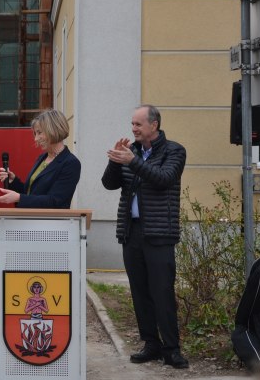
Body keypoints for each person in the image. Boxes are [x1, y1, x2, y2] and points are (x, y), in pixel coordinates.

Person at [101, 104, 189, 369]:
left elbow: (164, 178)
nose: (134, 129)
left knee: (162, 291)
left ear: (154, 125)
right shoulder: (133, 152)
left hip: (160, 233)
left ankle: (171, 349)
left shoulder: (174, 150)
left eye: (138, 124)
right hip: (133, 231)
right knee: (140, 292)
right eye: (132, 124)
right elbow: (109, 183)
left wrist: (132, 161)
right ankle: (151, 344)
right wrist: (115, 160)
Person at [0, 109, 81, 208]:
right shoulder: (42, 158)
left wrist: (19, 198)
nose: (36, 139)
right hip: (30, 219)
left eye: (39, 132)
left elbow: (56, 201)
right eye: (35, 134)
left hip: (49, 222)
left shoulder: (71, 163)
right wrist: (13, 181)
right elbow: (30, 193)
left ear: (54, 130)